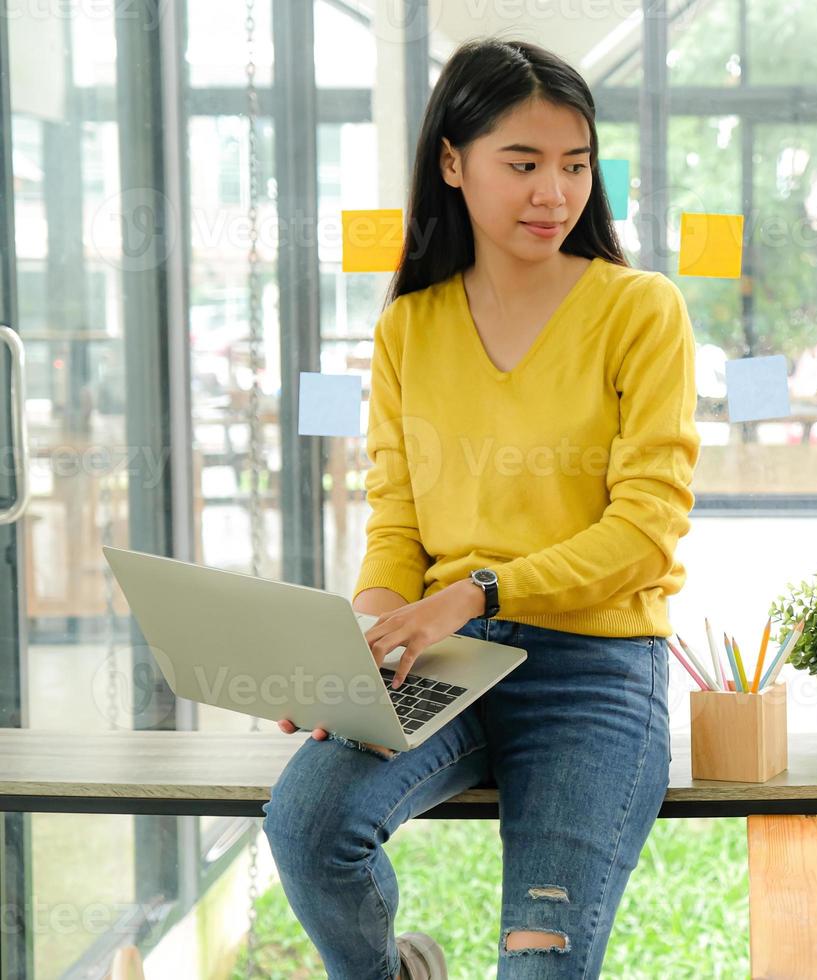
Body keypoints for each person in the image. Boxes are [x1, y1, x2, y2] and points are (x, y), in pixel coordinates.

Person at [260, 36, 700, 980]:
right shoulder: (408, 327)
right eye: (525, 163)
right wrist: (361, 647)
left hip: (595, 666)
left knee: (539, 964)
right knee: (306, 823)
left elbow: (644, 530)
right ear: (453, 163)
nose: (555, 192)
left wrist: (474, 593)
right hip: (443, 656)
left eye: (575, 165)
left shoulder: (641, 311)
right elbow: (397, 529)